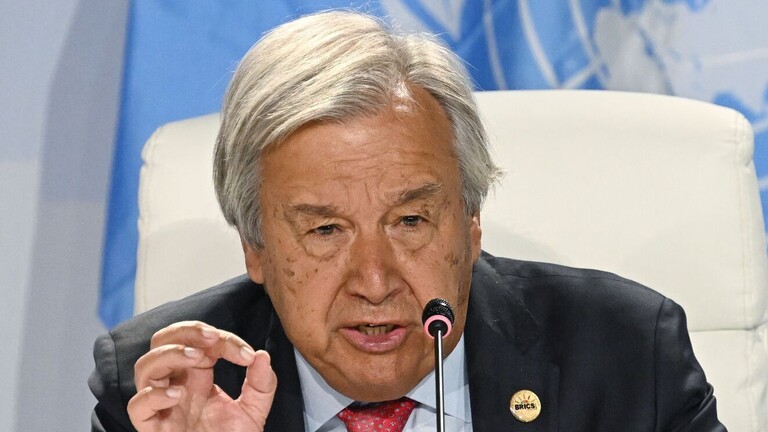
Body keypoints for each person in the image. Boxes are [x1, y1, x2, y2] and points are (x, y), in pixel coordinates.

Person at [89, 10, 725, 432]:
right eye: (325, 231)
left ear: (471, 222)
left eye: (411, 220)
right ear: (255, 247)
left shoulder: (625, 358)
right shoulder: (168, 394)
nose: (375, 281)